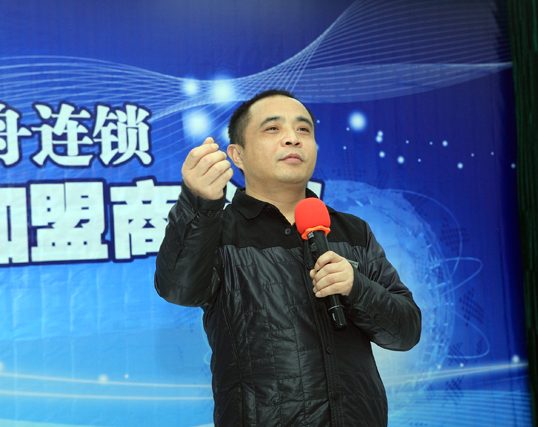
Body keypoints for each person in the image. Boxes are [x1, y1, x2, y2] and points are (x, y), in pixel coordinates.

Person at [155, 89, 421, 427]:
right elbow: (178, 289)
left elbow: (406, 332)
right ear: (237, 155)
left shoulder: (352, 231)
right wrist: (199, 204)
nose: (293, 138)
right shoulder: (216, 230)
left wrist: (357, 288)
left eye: (303, 129)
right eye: (273, 128)